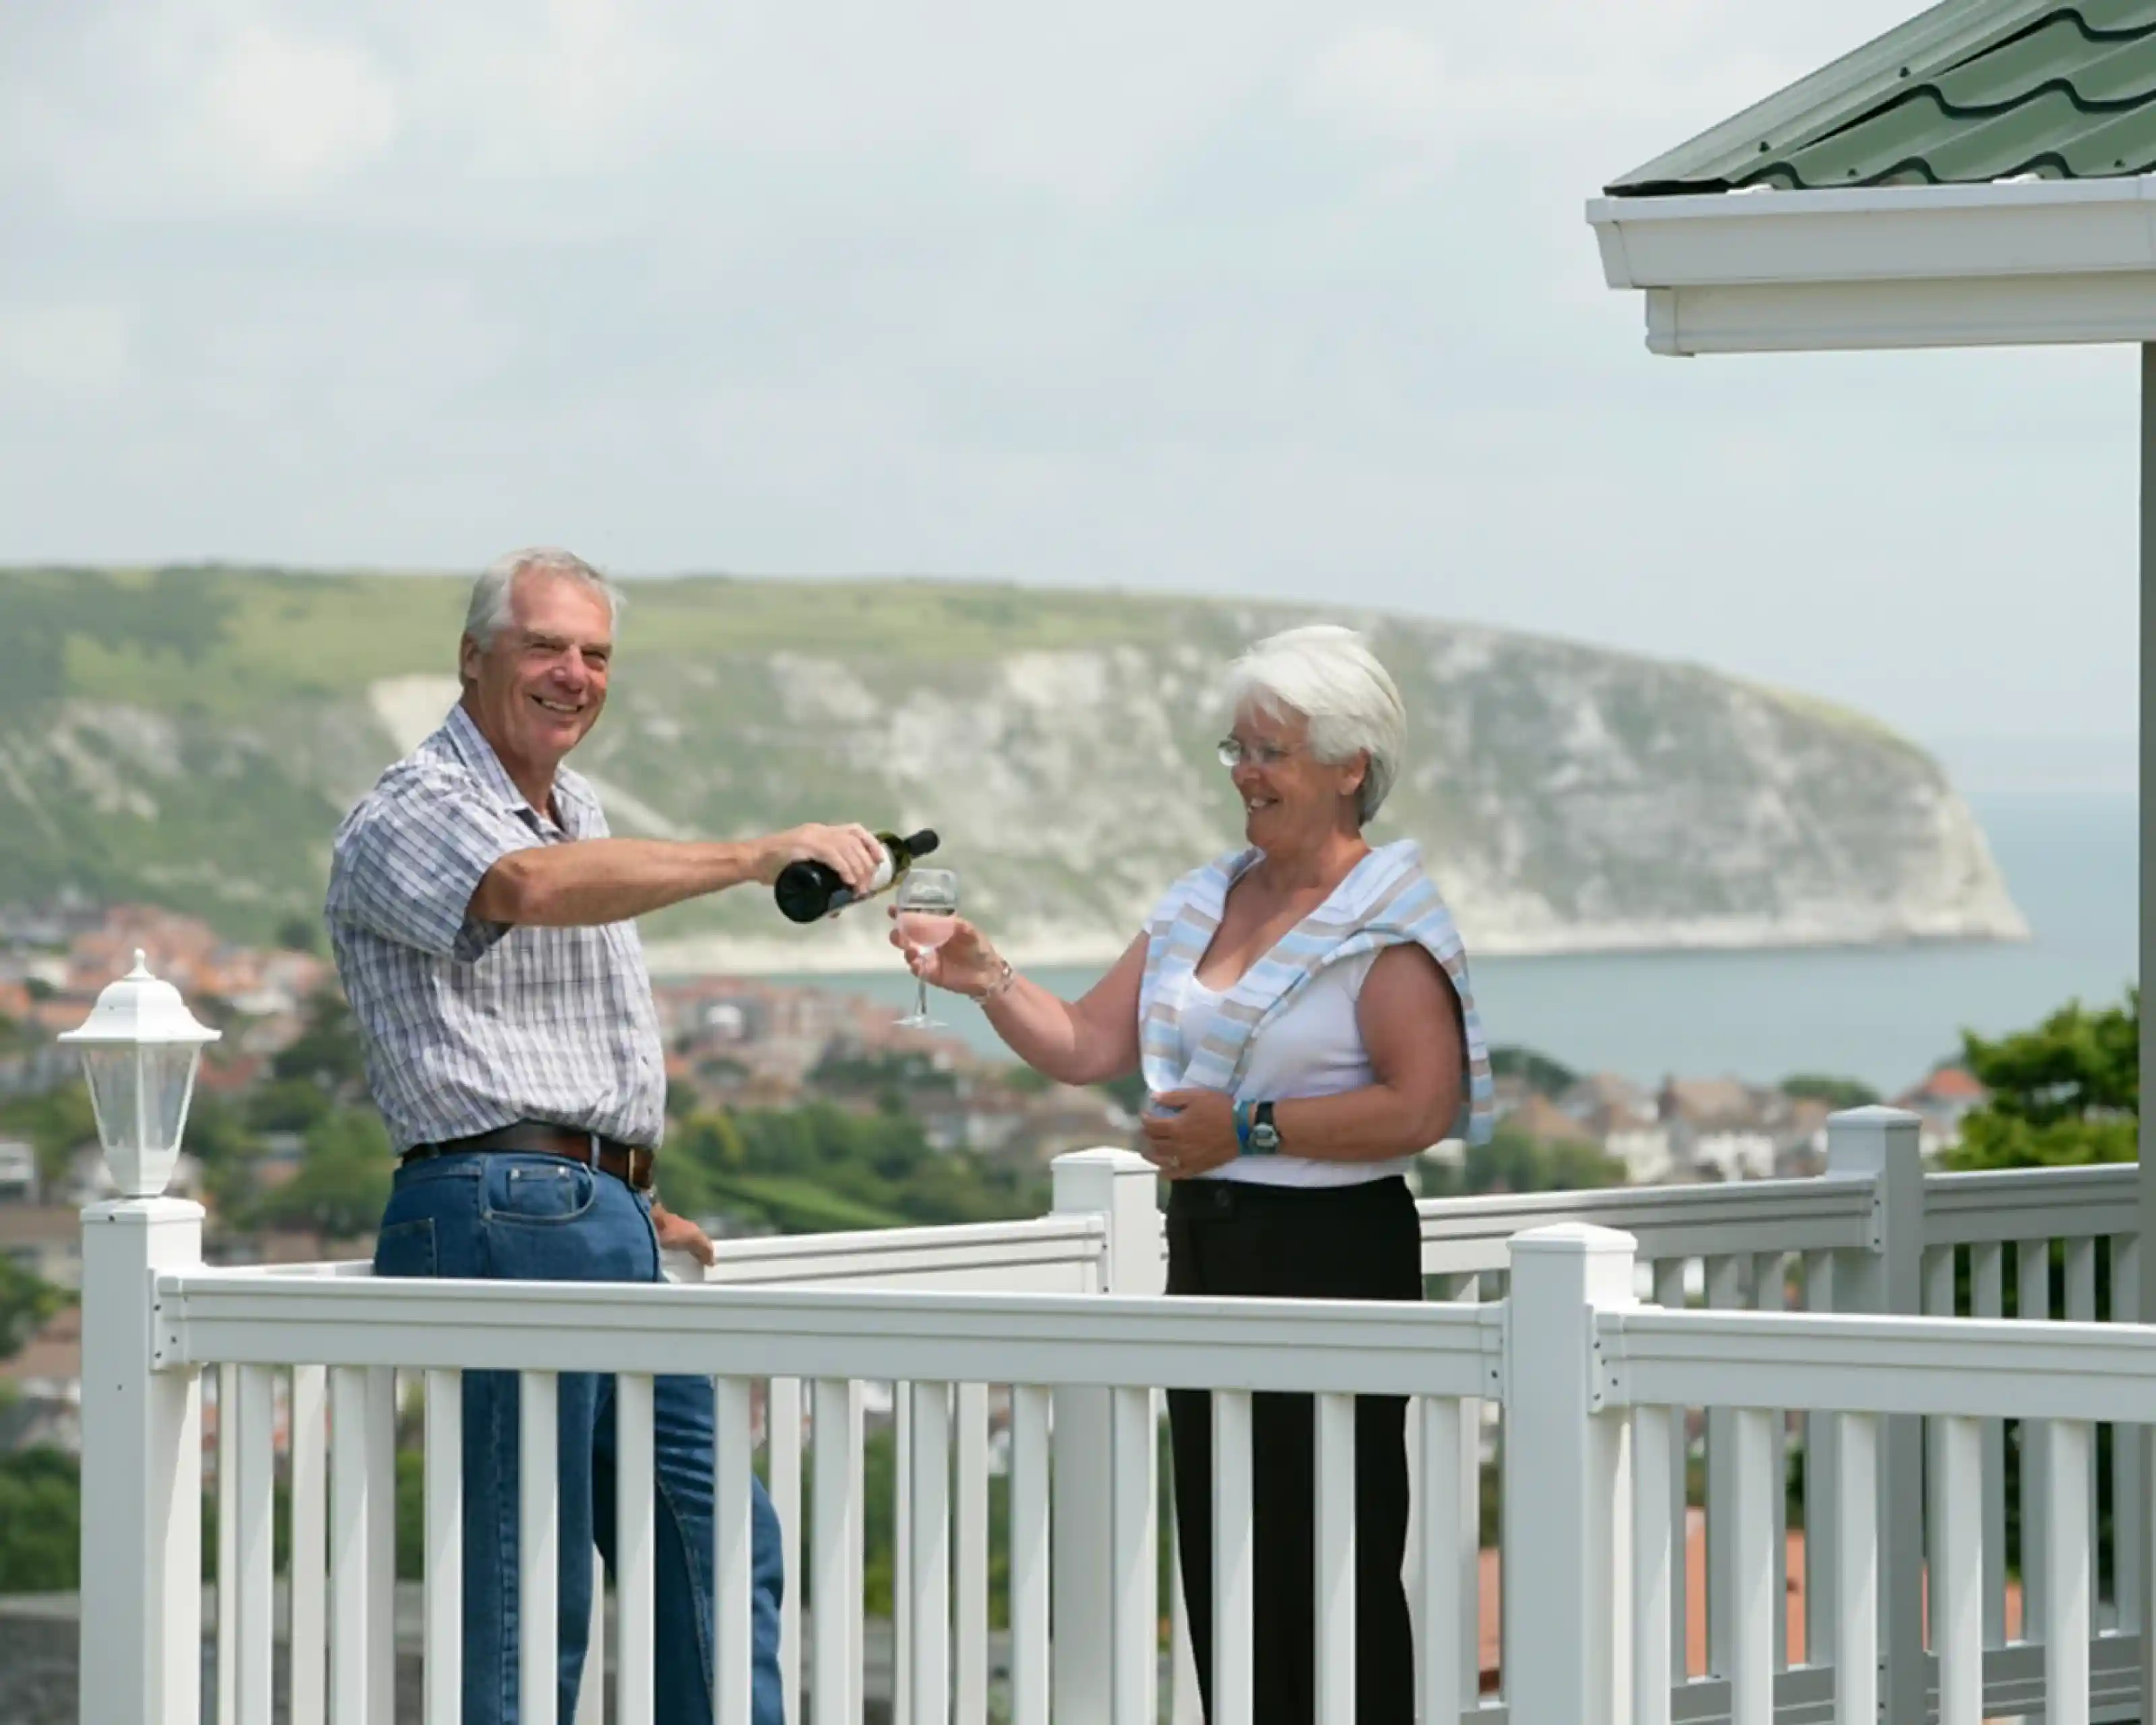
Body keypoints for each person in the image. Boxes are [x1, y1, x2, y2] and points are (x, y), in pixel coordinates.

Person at [327, 546, 890, 1725]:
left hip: (596, 1217)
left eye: (595, 654)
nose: (574, 673)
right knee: (526, 1591)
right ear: (473, 659)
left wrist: (625, 1185)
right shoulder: (415, 807)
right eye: (545, 646)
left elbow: (565, 1020)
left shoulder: (576, 812)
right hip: (498, 1207)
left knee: (720, 1543)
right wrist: (750, 858)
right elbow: (524, 891)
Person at [893, 623, 1492, 1725]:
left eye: (1271, 751)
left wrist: (1249, 1130)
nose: (1246, 775)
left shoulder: (1389, 919)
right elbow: (1084, 1043)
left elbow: (1423, 1106)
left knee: (1333, 1570)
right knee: (1229, 1563)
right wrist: (986, 977)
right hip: (1211, 1247)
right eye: (1237, 750)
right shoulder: (1206, 895)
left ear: (1351, 766)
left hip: (1335, 1259)